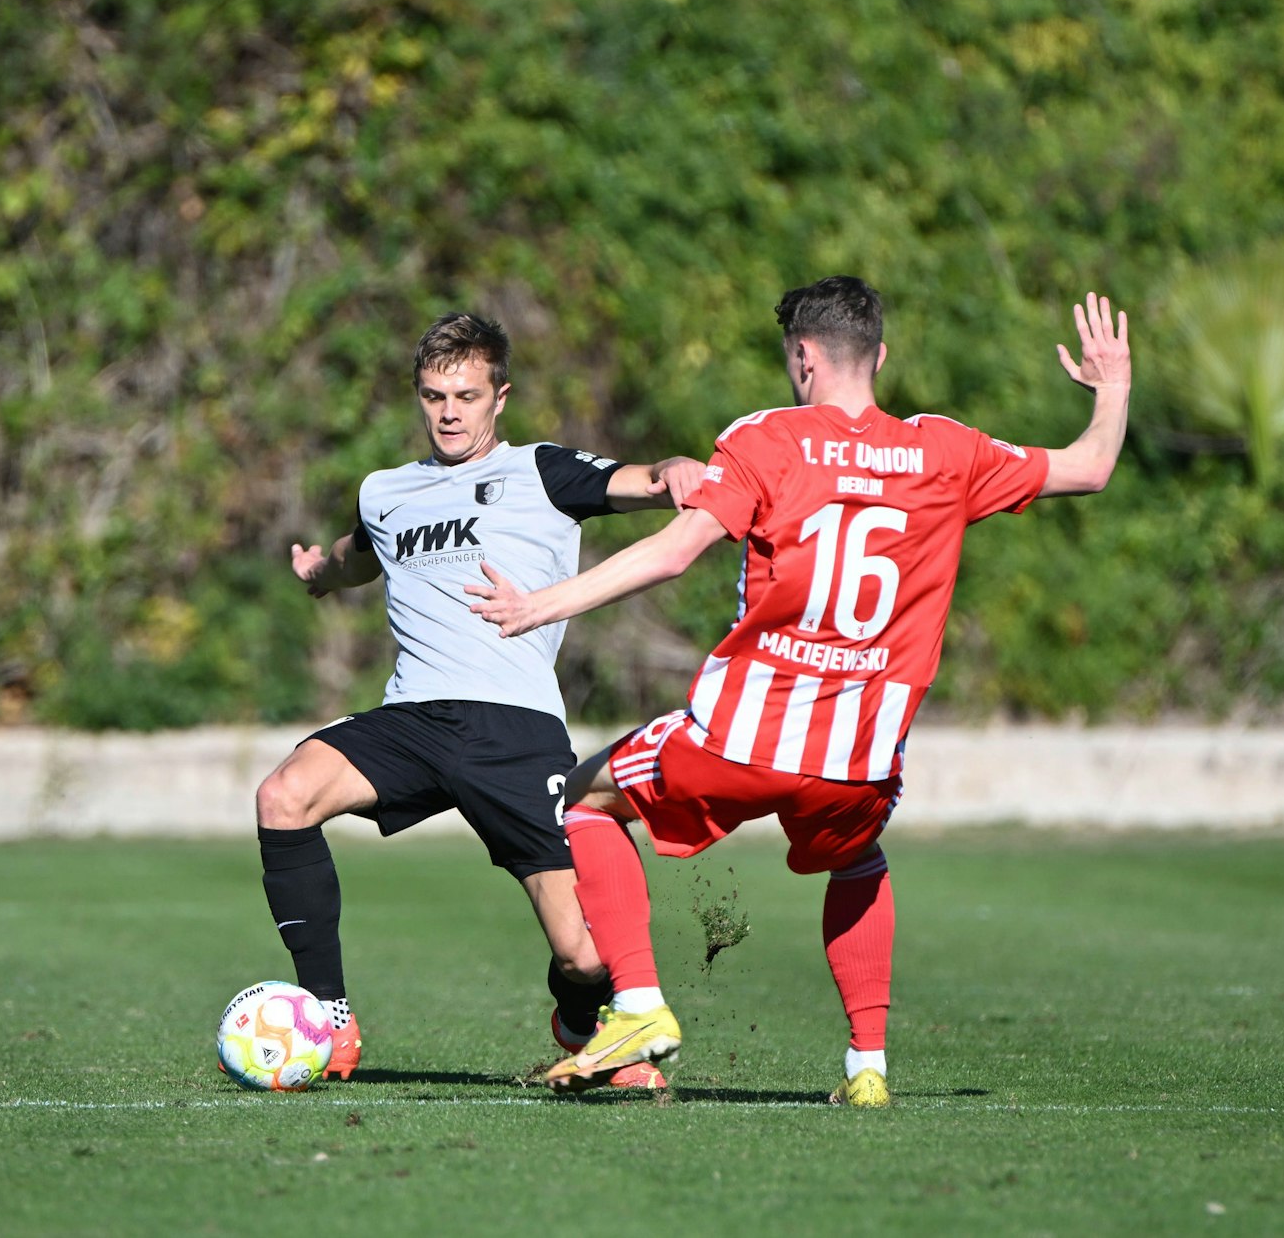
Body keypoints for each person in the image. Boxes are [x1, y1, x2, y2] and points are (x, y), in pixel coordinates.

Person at [467, 277, 1131, 1105]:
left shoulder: (767, 439)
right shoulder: (946, 450)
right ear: (880, 356)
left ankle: (637, 1005)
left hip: (743, 738)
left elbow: (675, 552)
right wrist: (1113, 388)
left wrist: (541, 604)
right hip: (858, 758)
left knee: (582, 798)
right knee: (857, 855)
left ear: (802, 355)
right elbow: (1093, 466)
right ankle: (867, 1067)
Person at [256, 311, 704, 1089]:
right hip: (414, 718)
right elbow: (356, 555)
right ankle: (328, 1015)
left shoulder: (543, 471)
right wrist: (318, 572)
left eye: (466, 394)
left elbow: (644, 480)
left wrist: (677, 468)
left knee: (586, 955)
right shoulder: (385, 491)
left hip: (515, 731)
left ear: (501, 395)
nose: (449, 411)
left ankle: (583, 1016)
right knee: (282, 796)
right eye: (434, 395)